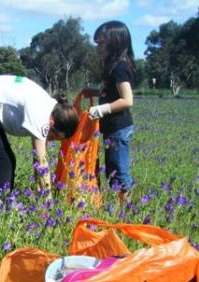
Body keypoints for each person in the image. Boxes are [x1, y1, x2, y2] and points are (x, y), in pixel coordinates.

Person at [0, 75, 79, 202]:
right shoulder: (41, 115)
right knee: (2, 165)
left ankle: (2, 205)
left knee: (9, 161)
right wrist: (48, 203)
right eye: (55, 137)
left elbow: (39, 163)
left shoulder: (50, 107)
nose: (51, 140)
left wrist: (40, 186)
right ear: (52, 122)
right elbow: (41, 164)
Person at [84, 21, 136, 205]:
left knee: (119, 170)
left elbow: (127, 99)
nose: (98, 47)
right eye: (97, 43)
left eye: (101, 43)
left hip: (118, 128)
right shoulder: (111, 66)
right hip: (111, 128)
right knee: (112, 169)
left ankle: (126, 211)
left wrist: (101, 109)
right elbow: (111, 93)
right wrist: (95, 92)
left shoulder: (120, 67)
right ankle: (120, 208)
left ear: (116, 42)